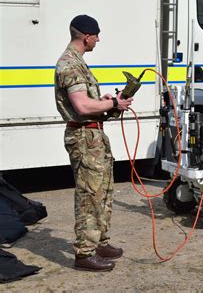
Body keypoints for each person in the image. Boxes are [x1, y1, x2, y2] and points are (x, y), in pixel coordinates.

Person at [55, 15, 133, 272]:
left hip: (94, 136)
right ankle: (85, 254)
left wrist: (105, 100)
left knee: (103, 191)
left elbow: (88, 101)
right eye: (96, 35)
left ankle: (99, 241)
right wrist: (112, 104)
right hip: (84, 139)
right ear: (86, 36)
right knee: (90, 196)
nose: (98, 40)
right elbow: (82, 106)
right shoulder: (70, 64)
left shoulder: (78, 63)